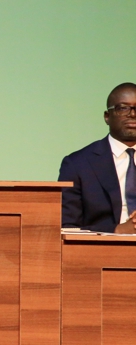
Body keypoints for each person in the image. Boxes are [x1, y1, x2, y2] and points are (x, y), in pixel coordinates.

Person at [59, 82, 136, 233]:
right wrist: (118, 230)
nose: (133, 114)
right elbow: (66, 227)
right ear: (107, 117)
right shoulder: (77, 164)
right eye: (123, 108)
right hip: (103, 250)